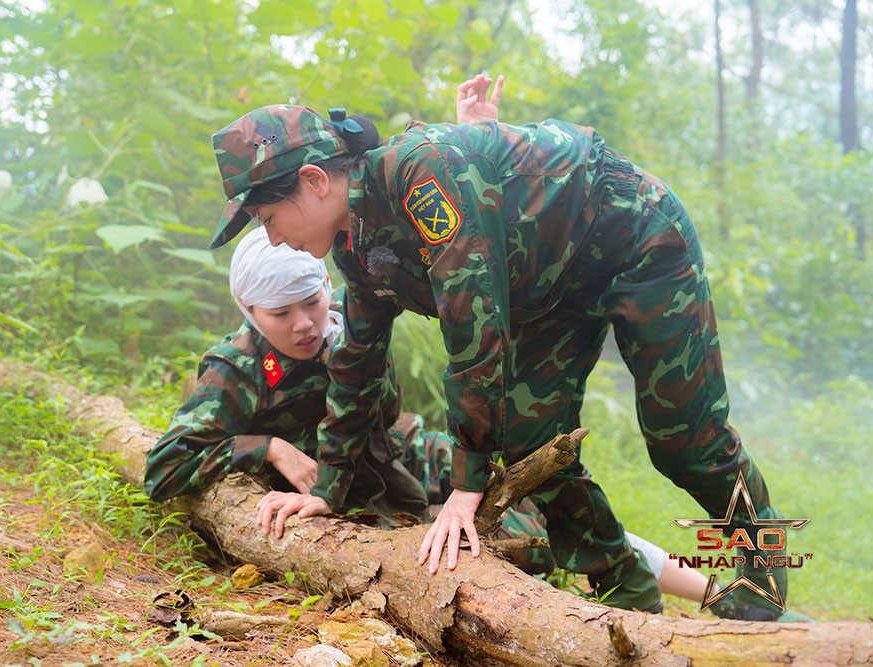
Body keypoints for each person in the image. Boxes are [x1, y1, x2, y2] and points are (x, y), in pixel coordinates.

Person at [205, 76, 797, 619]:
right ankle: (623, 586)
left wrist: (467, 485)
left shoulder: (422, 174)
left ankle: (760, 579)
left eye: (268, 216)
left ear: (312, 181)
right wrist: (329, 488)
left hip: (634, 239)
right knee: (530, 445)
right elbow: (358, 358)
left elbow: (475, 329)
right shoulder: (355, 245)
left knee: (684, 441)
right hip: (545, 291)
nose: (273, 236)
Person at [144, 224, 724, 611]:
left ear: (328, 286)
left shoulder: (351, 325)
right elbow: (164, 468)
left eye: (313, 303)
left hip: (400, 453)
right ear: (247, 310)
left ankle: (719, 597)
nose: (303, 324)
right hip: (354, 496)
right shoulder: (235, 368)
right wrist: (268, 447)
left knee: (546, 497)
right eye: (280, 313)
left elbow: (449, 252)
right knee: (501, 541)